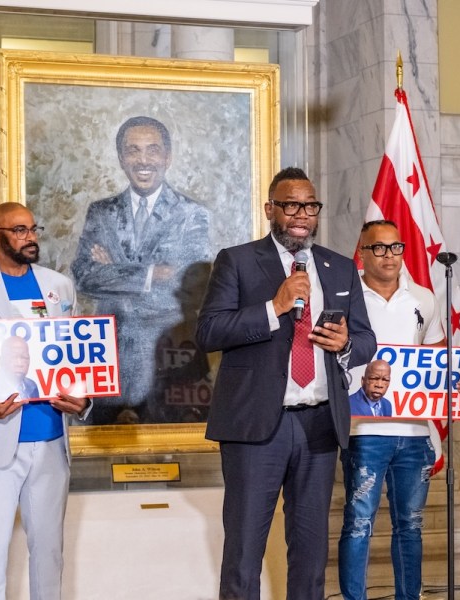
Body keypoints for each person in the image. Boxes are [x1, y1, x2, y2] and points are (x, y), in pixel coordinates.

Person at [196, 167, 376, 600]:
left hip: (318, 424)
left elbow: (366, 338)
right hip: (256, 426)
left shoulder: (339, 267)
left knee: (311, 551)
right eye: (291, 205)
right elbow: (208, 332)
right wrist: (273, 306)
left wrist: (346, 342)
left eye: (310, 206)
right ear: (270, 209)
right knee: (244, 549)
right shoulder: (237, 260)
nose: (301, 215)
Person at [0, 202, 90, 600]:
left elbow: (74, 354)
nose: (30, 237)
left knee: (49, 552)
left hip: (50, 439)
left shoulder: (58, 286)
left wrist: (82, 401)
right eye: (19, 230)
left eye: (32, 229)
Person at [339, 219, 460, 600]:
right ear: (362, 253)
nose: (389, 256)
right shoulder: (346, 298)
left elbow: (435, 363)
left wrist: (458, 390)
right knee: (358, 523)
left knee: (411, 525)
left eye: (396, 247)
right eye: (379, 248)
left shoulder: (424, 298)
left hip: (414, 432)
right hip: (363, 431)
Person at [71, 115, 210, 423]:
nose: (143, 160)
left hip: (170, 363)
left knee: (171, 462)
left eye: (152, 149)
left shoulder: (191, 214)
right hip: (109, 363)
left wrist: (114, 270)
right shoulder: (101, 212)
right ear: (121, 158)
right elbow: (83, 275)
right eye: (133, 150)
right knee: (105, 463)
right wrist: (150, 274)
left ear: (168, 156)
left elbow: (188, 282)